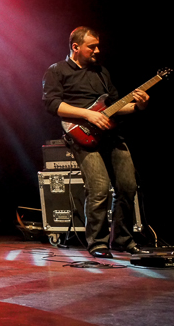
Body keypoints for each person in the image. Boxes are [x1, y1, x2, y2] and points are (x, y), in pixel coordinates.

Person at [42, 26, 148, 258]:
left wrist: (138, 106)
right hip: (82, 135)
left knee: (128, 186)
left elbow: (115, 106)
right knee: (99, 188)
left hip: (111, 135)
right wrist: (88, 115)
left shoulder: (101, 72)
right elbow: (52, 104)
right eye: (92, 46)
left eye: (98, 46)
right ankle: (97, 243)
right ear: (76, 47)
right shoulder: (57, 70)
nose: (97, 50)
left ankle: (121, 240)